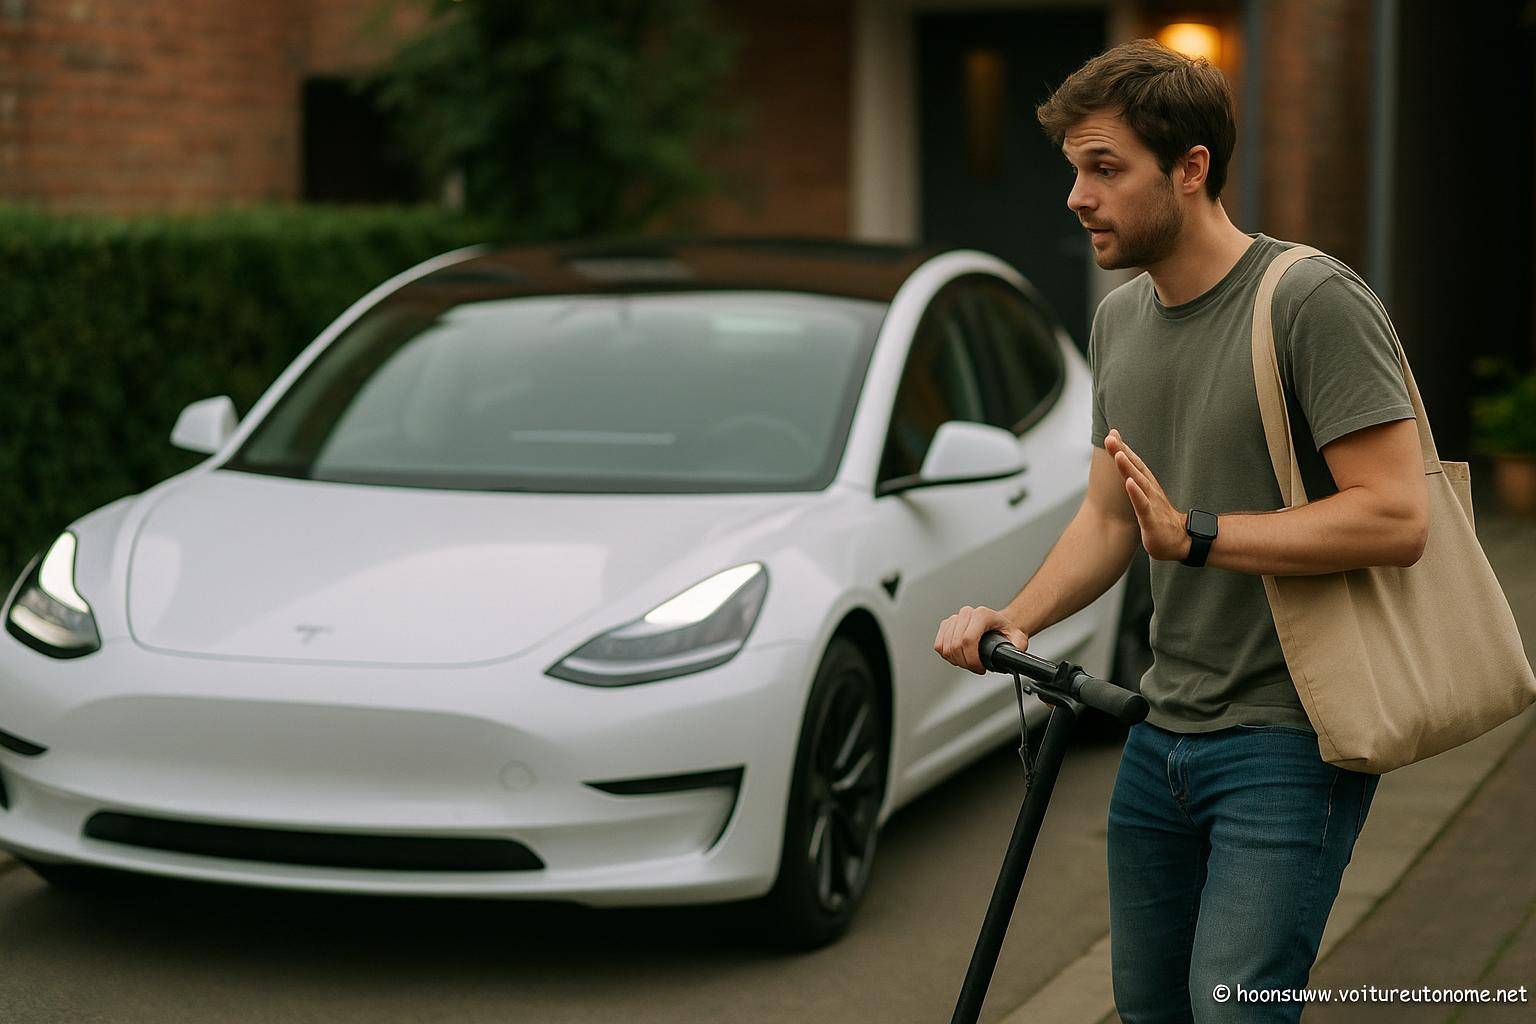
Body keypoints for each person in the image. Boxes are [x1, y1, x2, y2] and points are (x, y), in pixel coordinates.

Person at [933, 38, 1430, 1024]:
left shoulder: (1309, 300)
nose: (1077, 196)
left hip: (1291, 736)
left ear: (1191, 168)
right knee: (1151, 1007)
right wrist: (1015, 617)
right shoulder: (1119, 323)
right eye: (1074, 169)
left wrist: (1201, 533)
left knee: (1233, 1008)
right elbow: (1110, 516)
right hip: (1160, 731)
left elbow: (1397, 514)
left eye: (1104, 168)